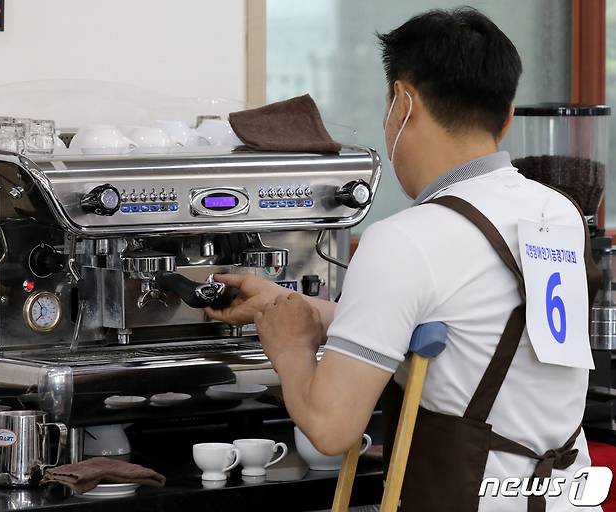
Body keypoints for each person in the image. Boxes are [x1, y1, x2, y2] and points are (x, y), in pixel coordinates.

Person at [207, 8, 600, 512]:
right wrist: (287, 305)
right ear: (506, 118)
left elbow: (330, 427)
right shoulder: (559, 211)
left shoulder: (404, 240)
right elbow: (467, 332)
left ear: (402, 103)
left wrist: (289, 350)